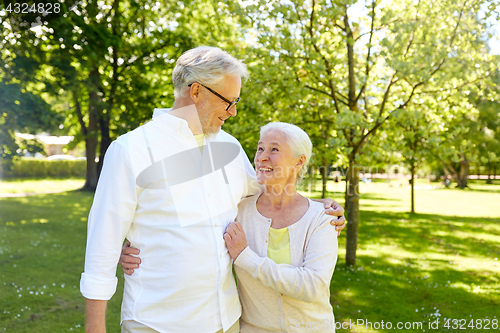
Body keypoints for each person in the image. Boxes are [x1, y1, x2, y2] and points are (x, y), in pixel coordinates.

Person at [81, 46, 345, 333]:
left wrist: (320, 207)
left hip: (226, 321)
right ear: (196, 92)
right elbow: (101, 250)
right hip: (157, 323)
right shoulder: (130, 150)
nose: (232, 112)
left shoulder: (229, 147)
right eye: (229, 101)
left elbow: (266, 191)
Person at [224, 122, 338, 332]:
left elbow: (312, 286)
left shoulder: (322, 218)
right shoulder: (238, 211)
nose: (262, 157)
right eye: (260, 148)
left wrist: (245, 257)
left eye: (274, 149)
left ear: (299, 162)